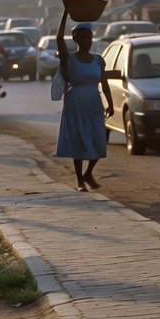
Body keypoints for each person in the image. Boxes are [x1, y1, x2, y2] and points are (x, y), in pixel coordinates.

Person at [55, 12, 113, 191]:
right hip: (75, 104)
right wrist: (64, 14)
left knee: (98, 139)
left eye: (89, 37)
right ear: (76, 39)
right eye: (83, 37)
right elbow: (59, 39)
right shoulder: (70, 59)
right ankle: (80, 181)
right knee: (78, 142)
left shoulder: (98, 60)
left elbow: (104, 83)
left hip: (94, 104)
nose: (87, 41)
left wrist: (110, 103)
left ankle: (89, 173)